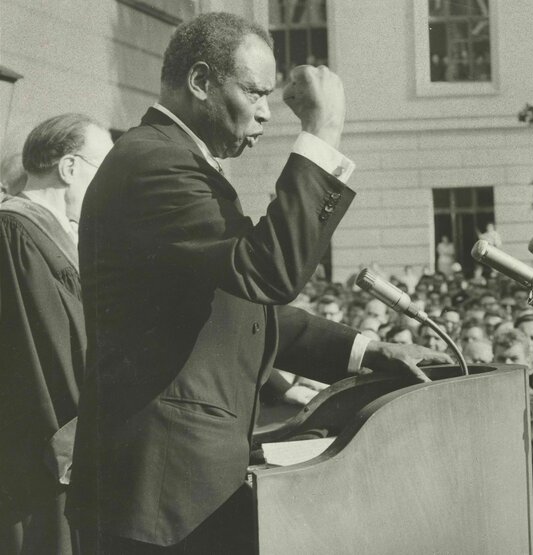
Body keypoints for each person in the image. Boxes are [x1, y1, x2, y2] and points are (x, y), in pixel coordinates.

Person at [67, 13, 451, 554]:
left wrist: (368, 350)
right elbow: (271, 273)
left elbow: (239, 308)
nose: (268, 113)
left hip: (170, 493)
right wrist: (322, 133)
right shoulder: (156, 163)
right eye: (254, 92)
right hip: (159, 500)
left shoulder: (170, 159)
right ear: (201, 82)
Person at [0, 114, 113, 555]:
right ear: (69, 168)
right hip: (40, 461)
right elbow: (41, 352)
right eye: (103, 170)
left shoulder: (51, 235)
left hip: (63, 451)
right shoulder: (16, 232)